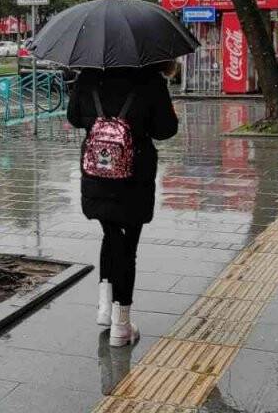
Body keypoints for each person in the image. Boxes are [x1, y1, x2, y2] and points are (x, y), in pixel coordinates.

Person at [67, 61, 178, 348]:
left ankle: (105, 308)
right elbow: (166, 129)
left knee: (111, 234)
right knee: (128, 248)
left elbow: (75, 118)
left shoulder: (88, 77)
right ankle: (121, 324)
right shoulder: (150, 81)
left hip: (97, 173)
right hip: (134, 177)